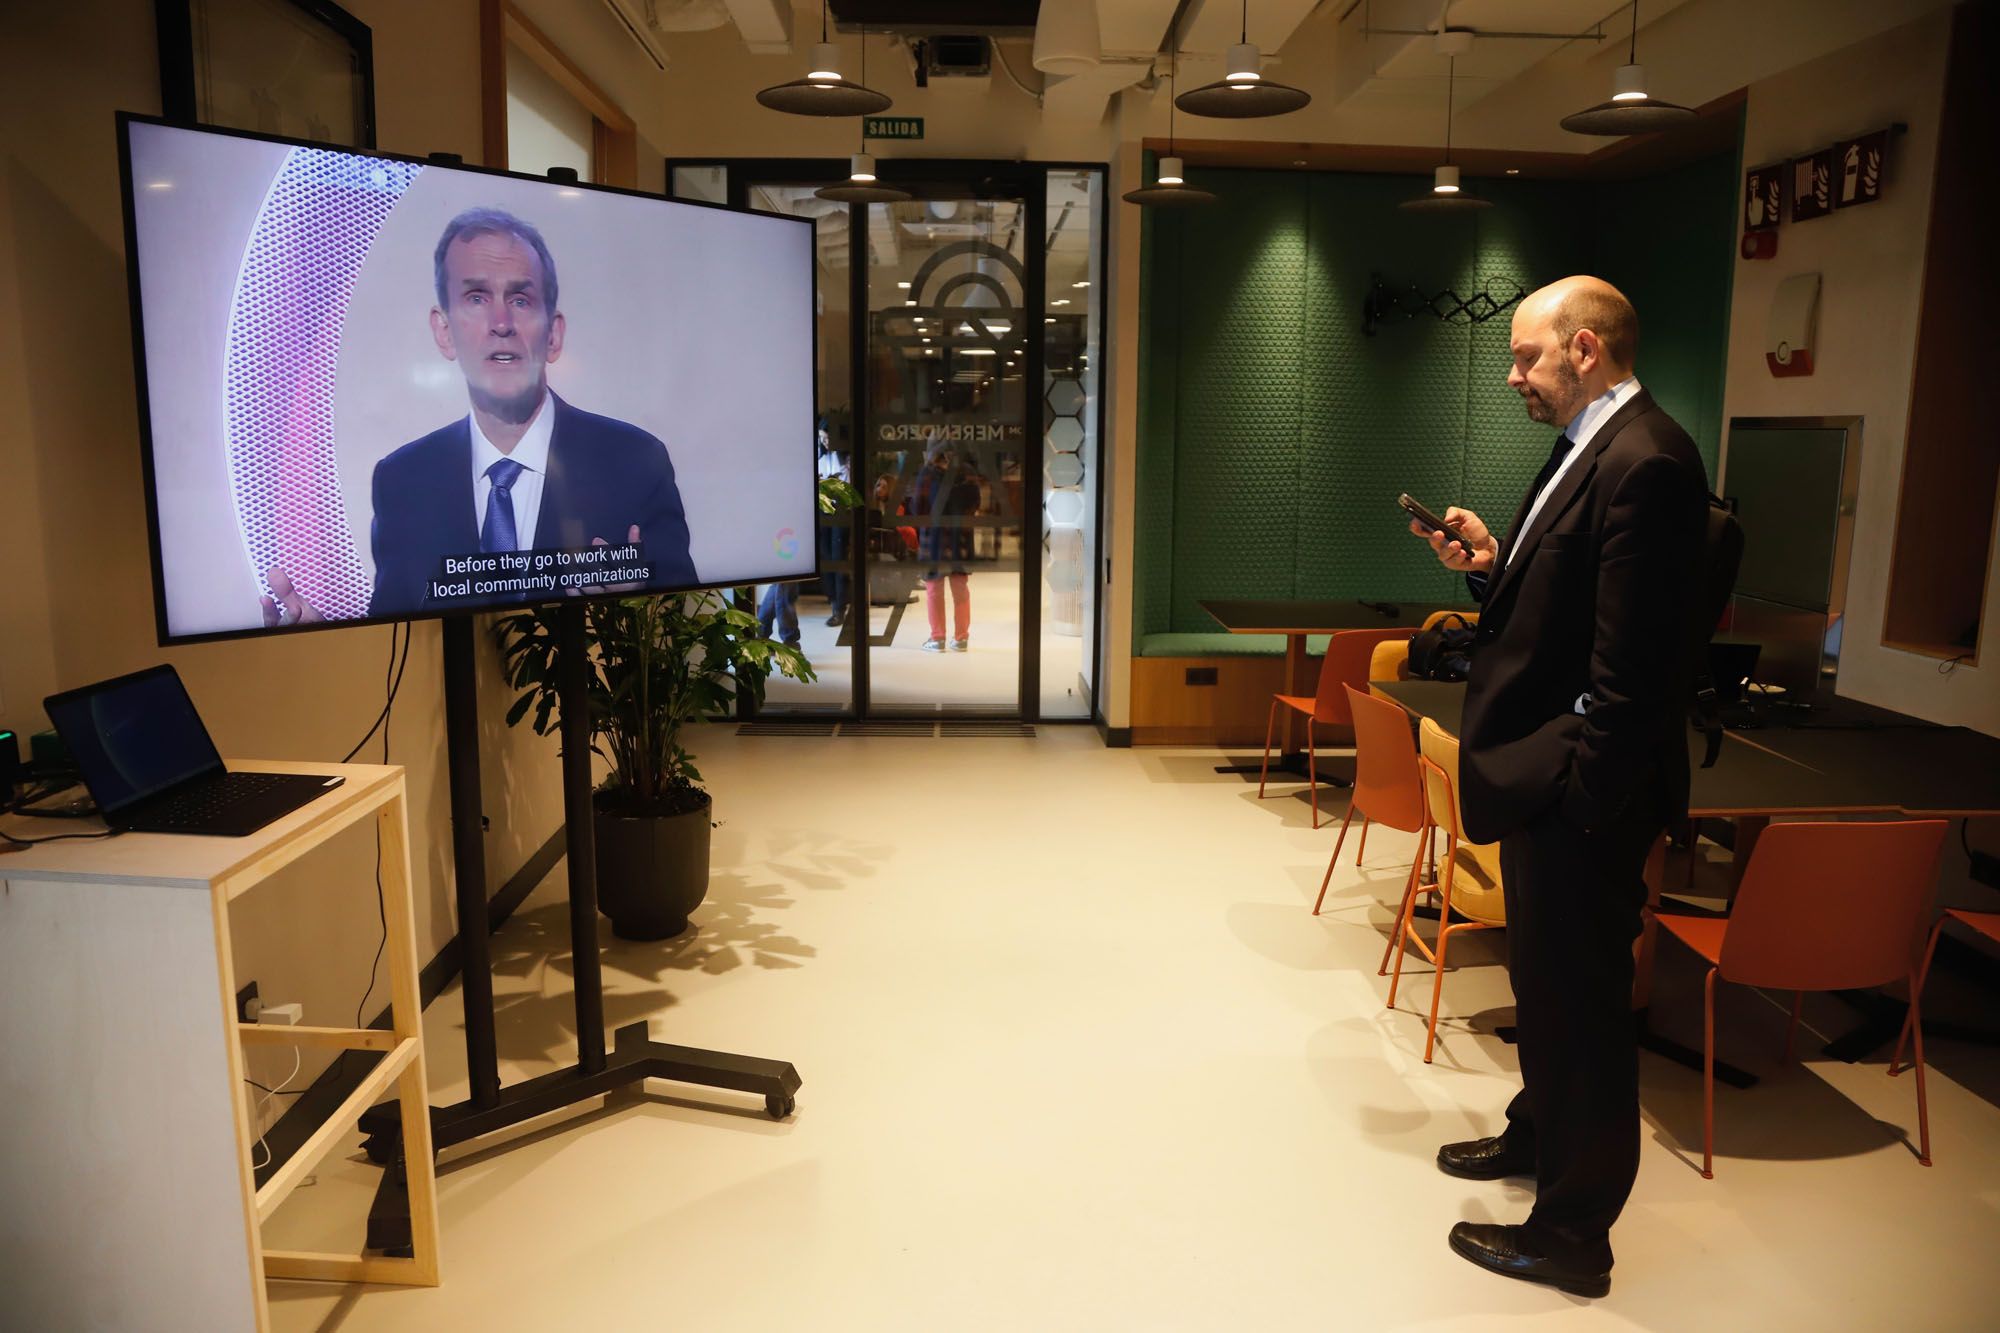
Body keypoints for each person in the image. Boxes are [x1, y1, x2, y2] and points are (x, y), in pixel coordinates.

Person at [1411, 276, 1707, 1298]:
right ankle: (1539, 1134)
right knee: (1543, 990)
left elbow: (1633, 672)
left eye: (1525, 357)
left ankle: (1575, 1230)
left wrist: (1579, 801)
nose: (1511, 376)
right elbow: (1567, 615)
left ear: (1584, 348)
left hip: (1581, 798)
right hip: (1547, 778)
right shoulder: (1590, 448)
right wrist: (1491, 566)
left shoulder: (1650, 462)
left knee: (1579, 1007)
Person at [261, 207, 697, 626]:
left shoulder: (635, 461)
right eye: (476, 297)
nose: (501, 322)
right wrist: (320, 640)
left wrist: (643, 614)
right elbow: (393, 640)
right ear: (444, 331)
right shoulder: (401, 481)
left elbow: (687, 631)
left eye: (521, 299)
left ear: (554, 334)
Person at [913, 437, 980, 652]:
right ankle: (961, 638)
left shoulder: (927, 474)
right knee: (960, 588)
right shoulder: (967, 472)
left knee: (934, 588)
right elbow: (975, 503)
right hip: (960, 537)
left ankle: (938, 638)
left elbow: (917, 507)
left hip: (933, 538)